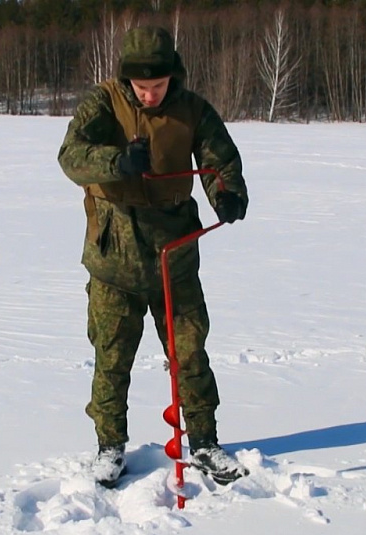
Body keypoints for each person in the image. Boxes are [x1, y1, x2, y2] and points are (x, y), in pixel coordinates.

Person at [57, 26, 250, 488]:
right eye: (141, 86)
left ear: (172, 76)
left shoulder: (193, 109)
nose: (149, 94)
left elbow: (219, 161)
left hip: (174, 256)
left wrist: (228, 194)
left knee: (190, 352)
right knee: (111, 357)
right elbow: (71, 156)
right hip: (114, 258)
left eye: (158, 85)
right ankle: (109, 447)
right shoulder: (103, 102)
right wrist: (117, 162)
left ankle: (203, 442)